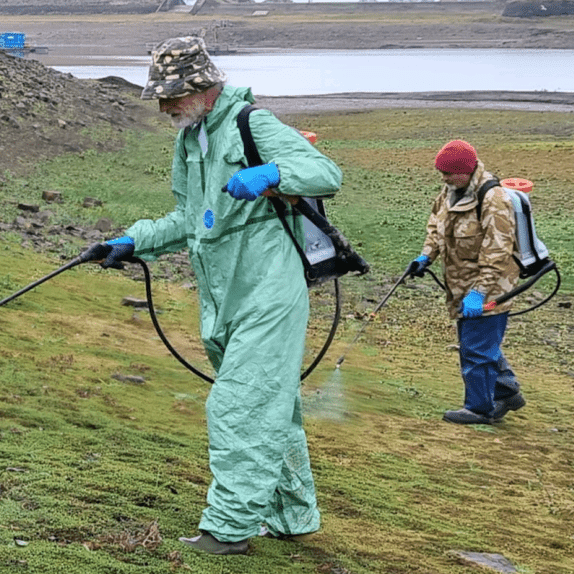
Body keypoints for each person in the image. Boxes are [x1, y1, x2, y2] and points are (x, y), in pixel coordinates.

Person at [81, 36, 343, 555]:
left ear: (203, 87)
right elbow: (189, 219)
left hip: (268, 292)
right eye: (161, 97)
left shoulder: (253, 124)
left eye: (172, 96)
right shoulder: (190, 139)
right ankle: (291, 516)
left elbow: (325, 174)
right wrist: (134, 241)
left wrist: (272, 173)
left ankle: (228, 529)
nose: (165, 107)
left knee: (238, 407)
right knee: (273, 407)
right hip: (224, 298)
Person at [405, 139, 527, 425]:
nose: (444, 179)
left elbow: (497, 252)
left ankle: (479, 408)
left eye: (449, 173)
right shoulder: (450, 192)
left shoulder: (495, 199)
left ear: (467, 170)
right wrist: (425, 257)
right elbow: (436, 226)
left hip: (491, 286)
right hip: (461, 285)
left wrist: (479, 293)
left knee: (475, 347)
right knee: (478, 341)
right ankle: (506, 390)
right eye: (442, 174)